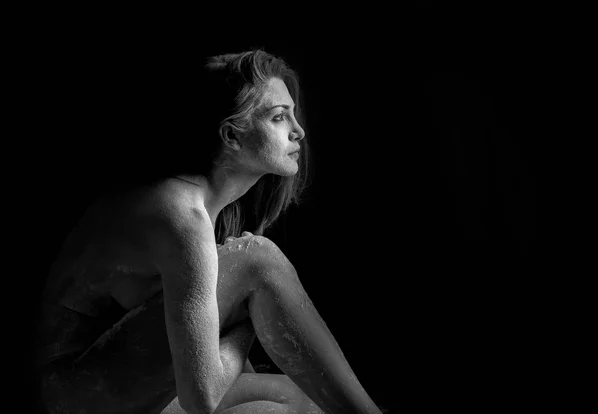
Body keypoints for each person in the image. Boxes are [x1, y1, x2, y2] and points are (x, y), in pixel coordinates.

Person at [36, 49, 382, 414]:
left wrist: (244, 312)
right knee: (257, 258)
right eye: (280, 117)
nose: (299, 131)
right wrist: (247, 318)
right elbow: (202, 399)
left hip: (118, 386)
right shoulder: (181, 215)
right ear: (232, 135)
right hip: (67, 394)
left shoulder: (200, 209)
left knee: (299, 399)